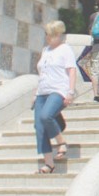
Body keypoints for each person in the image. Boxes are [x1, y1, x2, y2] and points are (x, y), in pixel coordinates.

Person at [32, 20, 76, 173]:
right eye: (46, 35)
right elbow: (42, 73)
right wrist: (35, 92)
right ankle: (49, 163)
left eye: (50, 35)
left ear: (58, 35)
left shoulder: (65, 49)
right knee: (39, 126)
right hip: (42, 92)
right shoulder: (46, 50)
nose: (47, 38)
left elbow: (71, 71)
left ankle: (61, 142)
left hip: (58, 89)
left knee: (46, 116)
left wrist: (70, 92)